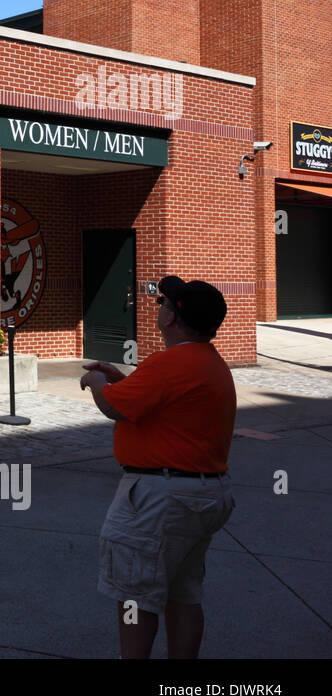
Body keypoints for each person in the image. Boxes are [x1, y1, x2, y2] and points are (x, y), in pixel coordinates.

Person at [78, 275, 236, 658]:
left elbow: (114, 406)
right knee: (182, 595)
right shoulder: (208, 363)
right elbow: (151, 401)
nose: (159, 306)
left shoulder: (170, 363)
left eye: (163, 302)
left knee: (134, 597)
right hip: (201, 495)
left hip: (159, 500)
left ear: (171, 318)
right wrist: (121, 382)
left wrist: (97, 381)